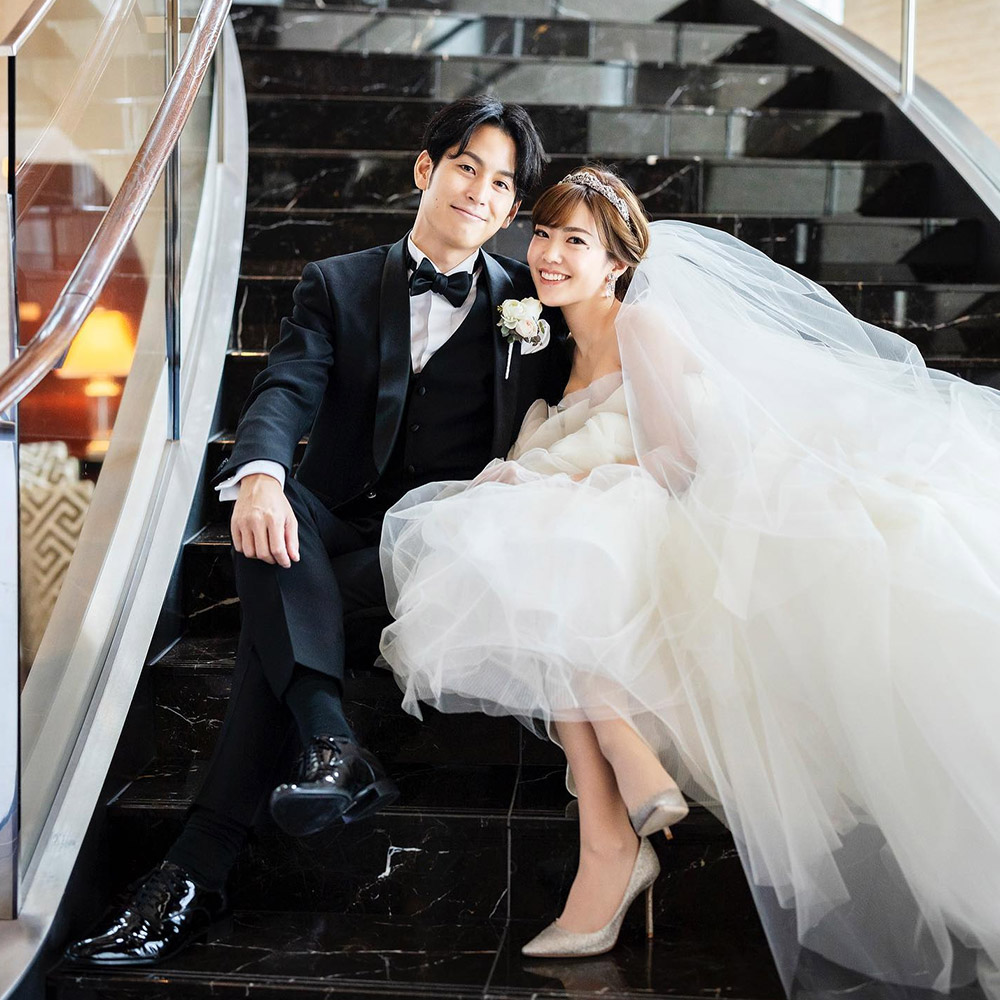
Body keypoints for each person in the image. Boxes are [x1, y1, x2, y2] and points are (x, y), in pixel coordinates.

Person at [379, 166, 1000, 997]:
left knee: (547, 541)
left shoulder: (644, 326)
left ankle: (613, 829)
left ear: (617, 264)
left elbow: (676, 464)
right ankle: (620, 789)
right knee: (523, 544)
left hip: (691, 509)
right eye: (544, 234)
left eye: (576, 241)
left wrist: (550, 482)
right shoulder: (548, 347)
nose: (549, 254)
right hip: (611, 525)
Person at [65, 96, 570, 967]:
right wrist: (260, 474)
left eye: (501, 184)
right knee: (271, 509)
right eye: (466, 167)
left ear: (513, 209)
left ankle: (196, 866)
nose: (479, 193)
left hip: (441, 542)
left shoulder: (533, 304)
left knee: (279, 611)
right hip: (336, 526)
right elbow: (286, 387)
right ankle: (329, 742)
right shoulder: (335, 283)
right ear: (426, 169)